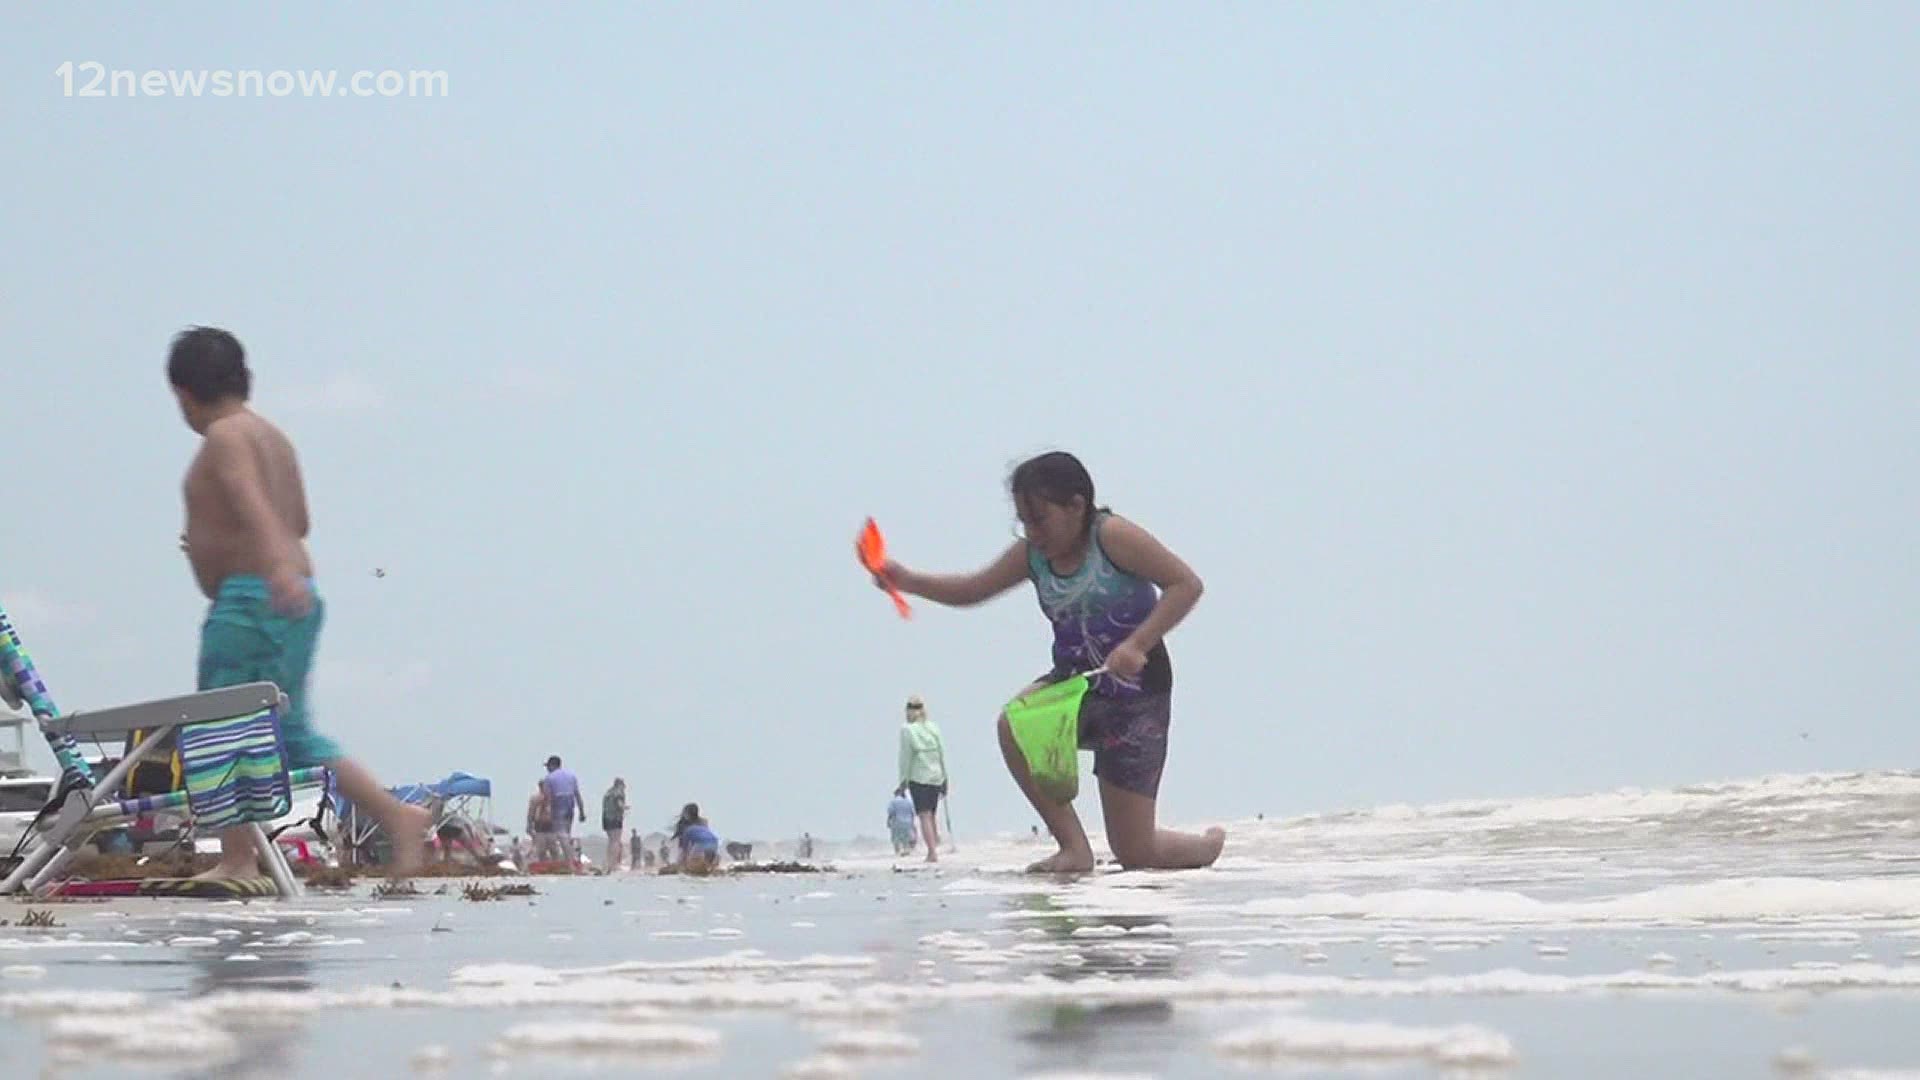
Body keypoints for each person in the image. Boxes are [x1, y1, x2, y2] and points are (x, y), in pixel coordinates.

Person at [862, 450, 1226, 874]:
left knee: (1137, 854)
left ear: (1077, 505)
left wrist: (1139, 644)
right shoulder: (1032, 555)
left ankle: (1208, 847)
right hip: (1076, 683)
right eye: (1024, 521)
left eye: (1040, 518)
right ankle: (1073, 848)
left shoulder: (1113, 537)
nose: (1033, 532)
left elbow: (1186, 584)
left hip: (1136, 694)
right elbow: (973, 589)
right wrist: (905, 579)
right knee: (1014, 724)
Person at [169, 327, 429, 880]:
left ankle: (238, 858)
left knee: (222, 726)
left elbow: (248, 498)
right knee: (290, 733)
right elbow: (300, 520)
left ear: (184, 395)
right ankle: (394, 814)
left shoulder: (223, 437)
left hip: (252, 600)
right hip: (294, 599)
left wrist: (269, 562)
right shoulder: (275, 439)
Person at [896, 695, 947, 862]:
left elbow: (906, 757)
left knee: (924, 815)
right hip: (936, 775)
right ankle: (935, 843)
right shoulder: (933, 728)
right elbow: (942, 753)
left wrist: (903, 780)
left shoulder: (907, 730)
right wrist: (945, 777)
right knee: (932, 813)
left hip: (919, 776)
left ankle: (932, 852)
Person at [541, 755, 585, 864]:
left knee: (561, 834)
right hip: (570, 804)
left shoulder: (549, 778)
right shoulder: (571, 776)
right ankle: (570, 858)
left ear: (552, 766)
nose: (547, 769)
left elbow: (547, 798)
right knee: (567, 833)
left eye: (548, 766)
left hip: (558, 803)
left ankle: (570, 861)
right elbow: (577, 795)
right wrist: (582, 811)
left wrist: (546, 812)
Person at [672, 802, 719, 870]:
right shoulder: (703, 823)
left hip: (701, 844)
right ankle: (710, 867)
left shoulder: (687, 830)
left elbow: (684, 850)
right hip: (714, 841)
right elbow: (706, 836)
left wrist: (681, 863)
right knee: (709, 863)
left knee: (691, 862)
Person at [602, 778, 629, 871]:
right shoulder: (618, 792)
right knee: (616, 841)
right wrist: (625, 808)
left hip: (606, 819)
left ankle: (609, 863)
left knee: (610, 841)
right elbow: (619, 804)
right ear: (620, 785)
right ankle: (614, 865)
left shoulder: (608, 793)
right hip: (615, 818)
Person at [887, 788, 918, 856]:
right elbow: (913, 813)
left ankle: (897, 852)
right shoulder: (909, 802)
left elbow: (891, 813)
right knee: (906, 838)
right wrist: (912, 823)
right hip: (908, 823)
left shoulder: (893, 802)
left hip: (896, 822)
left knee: (896, 838)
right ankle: (906, 850)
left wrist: (888, 821)